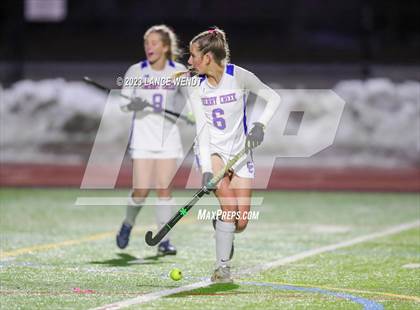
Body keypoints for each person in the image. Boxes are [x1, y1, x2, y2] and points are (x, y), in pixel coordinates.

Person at [187, 27, 280, 282]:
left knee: (240, 223)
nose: (189, 61)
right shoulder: (196, 86)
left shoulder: (238, 76)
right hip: (212, 151)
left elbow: (273, 98)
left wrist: (260, 125)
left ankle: (222, 227)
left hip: (240, 153)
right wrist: (207, 170)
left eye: (193, 55)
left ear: (207, 57)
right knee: (229, 207)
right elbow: (202, 133)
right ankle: (222, 268)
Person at [116, 25, 189, 256]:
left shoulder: (179, 71)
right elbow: (123, 102)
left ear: (166, 47)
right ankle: (128, 223)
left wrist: (193, 114)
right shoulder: (136, 71)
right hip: (143, 137)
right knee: (140, 190)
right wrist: (132, 104)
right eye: (147, 43)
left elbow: (192, 100)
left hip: (168, 139)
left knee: (164, 190)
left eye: (155, 43)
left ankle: (164, 240)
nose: (150, 47)